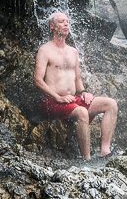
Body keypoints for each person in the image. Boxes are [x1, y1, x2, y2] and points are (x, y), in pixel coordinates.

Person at [33, 11, 118, 160]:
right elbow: (38, 80)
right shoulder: (45, 50)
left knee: (110, 104)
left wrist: (83, 92)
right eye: (61, 22)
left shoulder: (73, 51)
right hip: (51, 101)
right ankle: (87, 159)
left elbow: (77, 78)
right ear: (52, 26)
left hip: (72, 100)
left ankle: (105, 151)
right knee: (82, 113)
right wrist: (57, 98)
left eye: (67, 21)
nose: (66, 24)